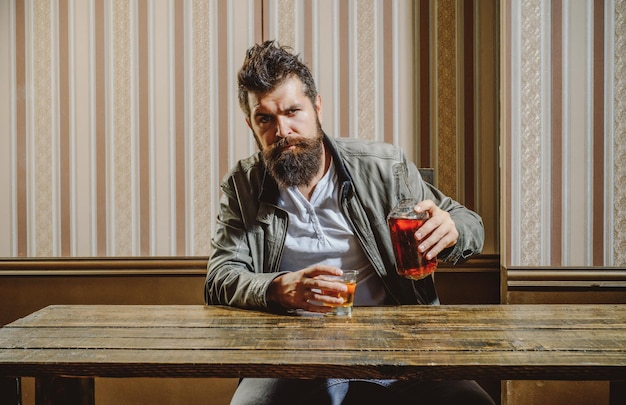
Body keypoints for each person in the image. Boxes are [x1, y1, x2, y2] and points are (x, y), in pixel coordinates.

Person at [204, 40, 494, 405]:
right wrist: (280, 288)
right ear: (251, 124)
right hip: (292, 355)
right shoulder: (242, 185)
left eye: (293, 111)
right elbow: (220, 277)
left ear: (317, 107)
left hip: (397, 348)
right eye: (266, 118)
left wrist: (453, 230)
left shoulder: (384, 167)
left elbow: (471, 224)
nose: (283, 130)